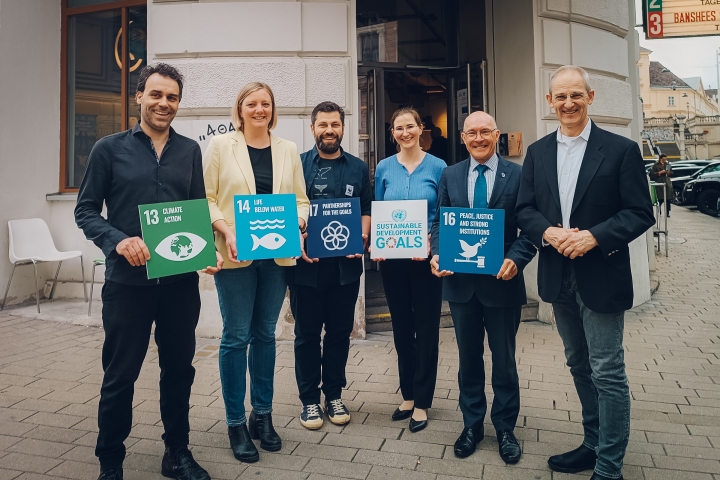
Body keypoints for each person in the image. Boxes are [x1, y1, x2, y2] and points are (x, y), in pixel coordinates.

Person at [75, 63, 222, 480]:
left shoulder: (189, 150)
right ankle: (111, 462)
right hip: (128, 285)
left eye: (172, 97)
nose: (164, 104)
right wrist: (117, 239)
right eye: (156, 95)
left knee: (179, 370)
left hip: (179, 285)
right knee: (120, 375)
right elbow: (85, 210)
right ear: (138, 97)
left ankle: (177, 453)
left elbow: (196, 211)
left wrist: (205, 251)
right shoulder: (109, 148)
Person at [516, 65, 654, 480]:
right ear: (549, 102)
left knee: (607, 370)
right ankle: (592, 443)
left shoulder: (621, 149)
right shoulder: (538, 152)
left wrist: (594, 236)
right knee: (578, 363)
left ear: (590, 98)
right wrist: (549, 231)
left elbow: (639, 212)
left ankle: (610, 466)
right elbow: (525, 209)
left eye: (576, 95)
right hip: (558, 276)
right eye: (561, 97)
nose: (569, 103)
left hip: (602, 275)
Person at [203, 82, 310, 463]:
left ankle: (261, 416)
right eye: (252, 104)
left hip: (275, 256)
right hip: (235, 255)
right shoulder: (221, 147)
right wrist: (225, 230)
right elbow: (208, 198)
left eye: (265, 103)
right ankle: (234, 422)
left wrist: (297, 222)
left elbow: (301, 199)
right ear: (241, 109)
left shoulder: (288, 149)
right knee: (236, 336)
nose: (259, 109)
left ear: (272, 109)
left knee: (266, 334)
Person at [429, 112, 536, 463]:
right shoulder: (450, 174)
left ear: (496, 135)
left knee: (504, 360)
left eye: (485, 132)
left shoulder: (518, 175)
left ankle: (505, 427)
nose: (478, 138)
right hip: (461, 286)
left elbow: (530, 229)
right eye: (471, 133)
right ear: (462, 137)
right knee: (468, 360)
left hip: (502, 284)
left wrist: (516, 260)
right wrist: (438, 252)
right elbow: (440, 221)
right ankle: (472, 425)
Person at [289, 101, 372, 429]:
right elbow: (287, 209)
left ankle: (334, 394)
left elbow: (366, 208)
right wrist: (297, 236)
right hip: (306, 267)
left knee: (339, 333)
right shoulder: (297, 166)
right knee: (307, 334)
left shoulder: (358, 168)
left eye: (335, 124)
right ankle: (309, 400)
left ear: (342, 127)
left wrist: (363, 236)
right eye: (323, 125)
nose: (329, 130)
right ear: (313, 129)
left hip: (346, 268)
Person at [374, 107, 446, 433]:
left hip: (426, 262)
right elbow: (378, 213)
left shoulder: (439, 167)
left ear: (421, 128)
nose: (405, 133)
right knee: (402, 328)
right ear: (393, 133)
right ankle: (407, 394)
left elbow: (443, 214)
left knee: (427, 329)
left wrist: (433, 245)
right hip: (393, 262)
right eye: (399, 128)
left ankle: (423, 401)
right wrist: (377, 245)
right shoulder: (384, 168)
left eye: (410, 126)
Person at [649, 153, 672, 218]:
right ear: (660, 159)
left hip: (667, 182)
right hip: (659, 182)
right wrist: (659, 173)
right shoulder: (655, 165)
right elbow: (652, 174)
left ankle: (667, 212)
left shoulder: (668, 165)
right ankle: (659, 211)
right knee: (660, 198)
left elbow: (672, 172)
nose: (665, 161)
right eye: (664, 159)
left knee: (668, 199)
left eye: (666, 159)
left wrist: (668, 172)